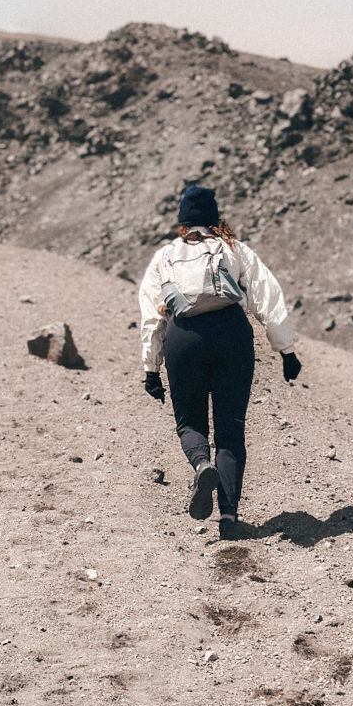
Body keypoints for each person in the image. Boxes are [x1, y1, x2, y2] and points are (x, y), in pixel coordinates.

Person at [138, 185, 301, 538]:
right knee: (231, 430)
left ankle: (201, 464)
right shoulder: (234, 249)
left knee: (190, 422)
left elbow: (152, 315)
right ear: (215, 219)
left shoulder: (165, 256)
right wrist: (286, 350)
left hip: (184, 339)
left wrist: (151, 368)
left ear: (182, 223)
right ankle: (228, 519)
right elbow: (266, 297)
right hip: (231, 334)